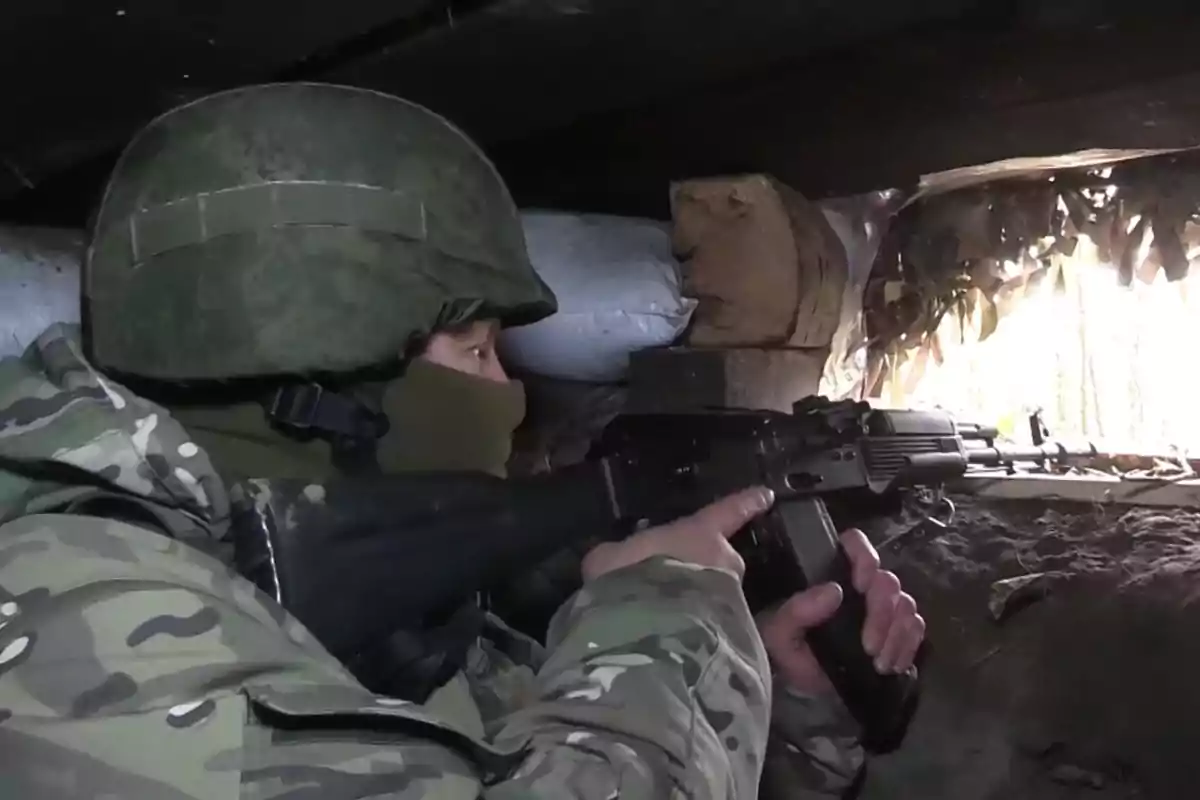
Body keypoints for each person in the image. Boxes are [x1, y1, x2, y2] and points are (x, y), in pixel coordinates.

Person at [0, 81, 919, 798]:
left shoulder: (379, 608)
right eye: (476, 349)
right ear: (319, 378)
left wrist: (784, 699)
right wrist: (672, 610)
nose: (508, 392)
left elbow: (541, 753)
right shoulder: (80, 636)